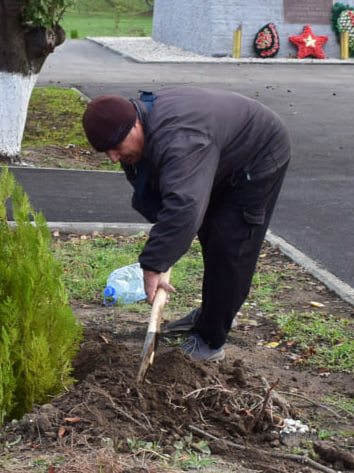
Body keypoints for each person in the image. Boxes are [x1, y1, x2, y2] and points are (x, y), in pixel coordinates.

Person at [82, 87, 291, 362]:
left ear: (134, 125)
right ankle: (211, 313)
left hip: (257, 153)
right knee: (208, 230)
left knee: (230, 245)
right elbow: (159, 195)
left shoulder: (181, 141)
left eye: (116, 147)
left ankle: (210, 341)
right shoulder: (139, 132)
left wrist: (154, 264)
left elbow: (185, 207)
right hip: (218, 152)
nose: (112, 157)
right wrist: (169, 242)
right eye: (105, 151)